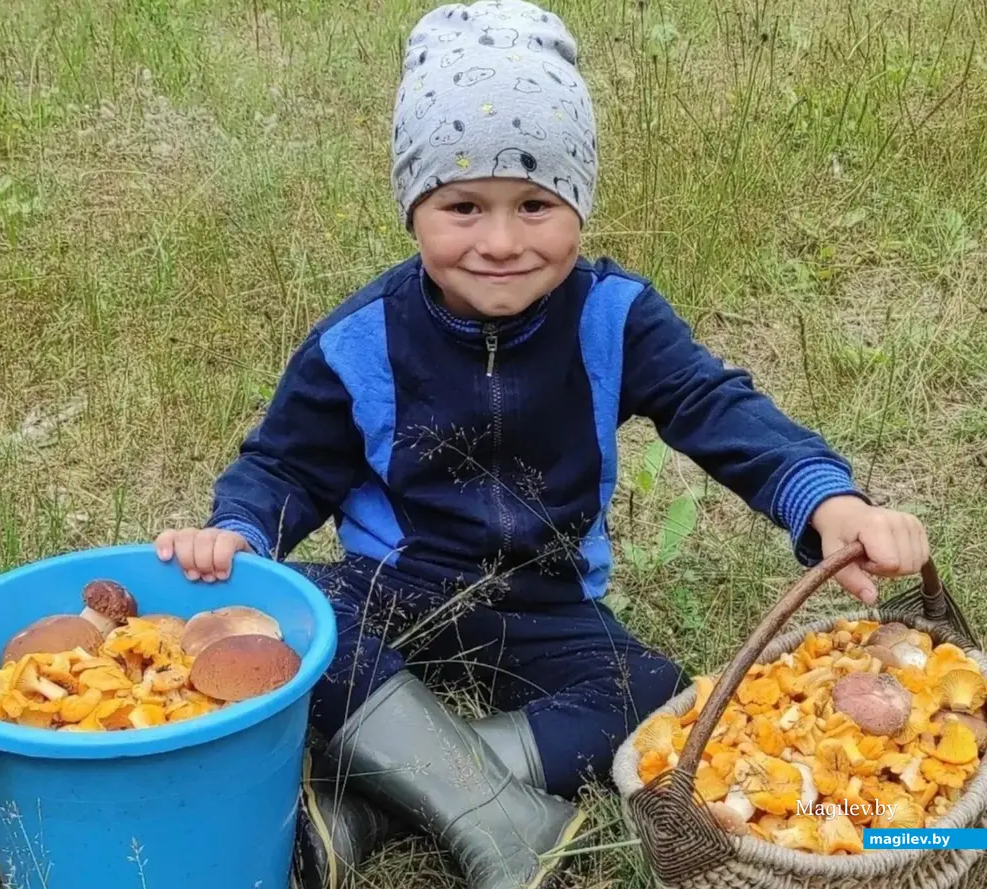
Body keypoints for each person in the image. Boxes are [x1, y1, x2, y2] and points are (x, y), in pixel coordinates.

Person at [155, 2, 931, 887]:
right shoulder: (360, 339)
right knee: (296, 613)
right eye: (461, 206)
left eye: (535, 203)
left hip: (545, 604)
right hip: (393, 588)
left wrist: (831, 500)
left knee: (652, 697)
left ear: (581, 204)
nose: (499, 241)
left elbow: (715, 407)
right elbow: (287, 463)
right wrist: (241, 533)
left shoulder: (617, 319)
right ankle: (493, 806)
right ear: (413, 204)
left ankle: (378, 803)